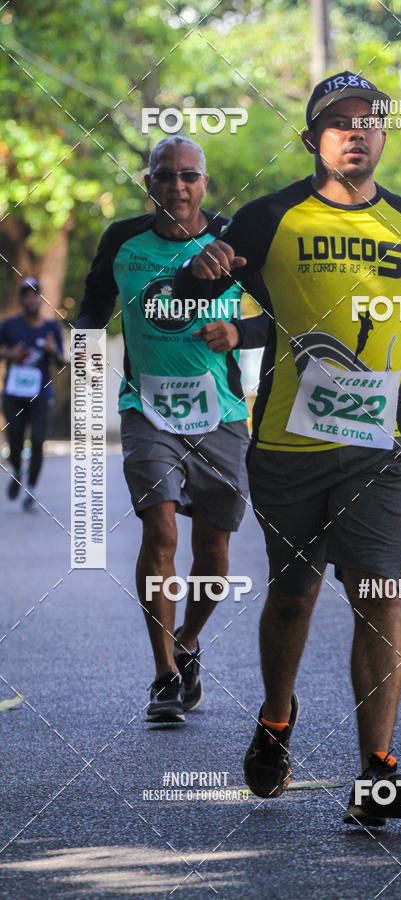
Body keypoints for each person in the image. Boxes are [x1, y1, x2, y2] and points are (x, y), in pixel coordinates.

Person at [174, 72, 401, 825]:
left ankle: (375, 769)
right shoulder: (269, 218)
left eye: (369, 121)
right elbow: (191, 297)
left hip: (382, 442)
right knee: (294, 595)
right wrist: (201, 275)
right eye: (339, 122)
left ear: (383, 137)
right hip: (289, 445)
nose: (356, 131)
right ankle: (275, 717)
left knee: (376, 593)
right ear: (311, 140)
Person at [77, 136, 269, 724]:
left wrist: (242, 335)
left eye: (188, 176)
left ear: (203, 184)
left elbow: (290, 319)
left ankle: (187, 640)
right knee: (159, 529)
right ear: (149, 183)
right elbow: (92, 304)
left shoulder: (235, 240)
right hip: (147, 407)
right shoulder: (122, 240)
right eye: (165, 176)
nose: (177, 187)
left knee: (213, 550)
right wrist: (82, 341)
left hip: (222, 412)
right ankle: (164, 674)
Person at [0, 277, 66, 512]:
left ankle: (31, 488)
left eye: (36, 294)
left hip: (41, 394)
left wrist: (52, 350)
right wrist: (10, 354)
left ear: (41, 299)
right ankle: (17, 470)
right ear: (21, 300)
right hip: (14, 394)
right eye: (27, 294)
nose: (32, 299)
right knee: (15, 442)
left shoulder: (51, 328)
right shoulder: (9, 326)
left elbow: (62, 363)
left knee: (38, 440)